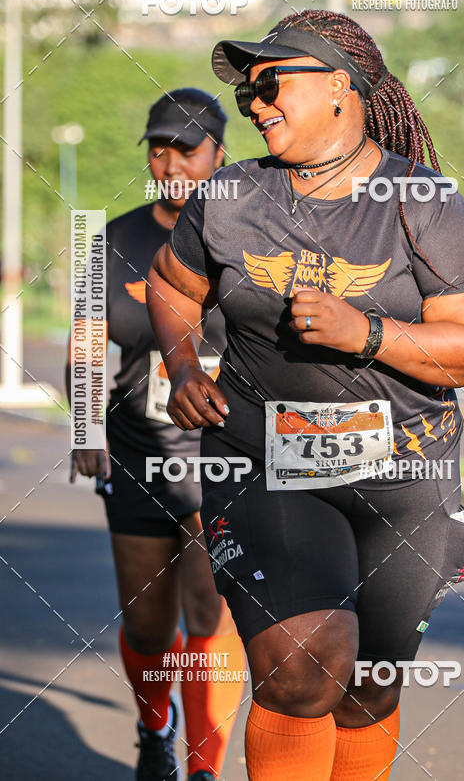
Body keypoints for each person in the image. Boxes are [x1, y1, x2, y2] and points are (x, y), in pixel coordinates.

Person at [147, 11, 464, 781]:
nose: (256, 103)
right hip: (261, 461)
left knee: (368, 685)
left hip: (406, 475)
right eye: (245, 96)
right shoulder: (229, 196)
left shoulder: (423, 200)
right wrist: (182, 367)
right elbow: (171, 288)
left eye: (271, 84)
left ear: (340, 85)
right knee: (304, 666)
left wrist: (364, 333)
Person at [66, 89, 245, 781]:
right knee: (148, 625)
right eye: (159, 147)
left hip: (224, 450)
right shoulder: (117, 240)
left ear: (218, 155)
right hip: (137, 447)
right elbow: (85, 342)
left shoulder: (248, 234)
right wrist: (85, 425)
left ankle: (203, 767)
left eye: (187, 148)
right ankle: (154, 727)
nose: (170, 159)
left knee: (210, 610)